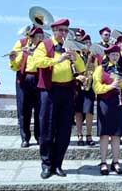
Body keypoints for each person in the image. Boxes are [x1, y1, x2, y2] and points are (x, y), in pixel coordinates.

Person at [33, 18, 85, 179]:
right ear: (54, 30)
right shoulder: (45, 45)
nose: (63, 33)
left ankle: (58, 164)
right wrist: (58, 59)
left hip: (67, 92)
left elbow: (81, 68)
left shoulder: (70, 47)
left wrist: (75, 57)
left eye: (65, 30)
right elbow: (37, 61)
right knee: (47, 128)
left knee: (64, 130)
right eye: (61, 30)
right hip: (49, 91)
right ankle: (47, 165)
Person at [92, 44, 122, 175]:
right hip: (105, 103)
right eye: (113, 55)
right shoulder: (100, 68)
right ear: (108, 56)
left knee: (116, 134)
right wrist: (110, 86)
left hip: (118, 103)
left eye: (117, 54)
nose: (115, 57)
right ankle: (103, 162)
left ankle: (116, 162)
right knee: (104, 134)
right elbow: (96, 88)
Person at [9, 27, 44, 147]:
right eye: (37, 36)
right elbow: (15, 66)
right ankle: (25, 138)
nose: (40, 38)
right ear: (31, 37)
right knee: (23, 109)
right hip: (24, 80)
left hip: (39, 79)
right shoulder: (21, 44)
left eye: (42, 36)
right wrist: (13, 59)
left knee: (40, 109)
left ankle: (39, 136)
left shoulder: (44, 47)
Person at [75, 34, 97, 147]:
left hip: (89, 86)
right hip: (78, 85)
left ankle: (89, 135)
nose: (87, 45)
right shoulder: (77, 54)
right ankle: (79, 135)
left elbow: (97, 70)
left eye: (89, 43)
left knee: (89, 111)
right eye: (85, 43)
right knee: (78, 112)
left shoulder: (93, 57)